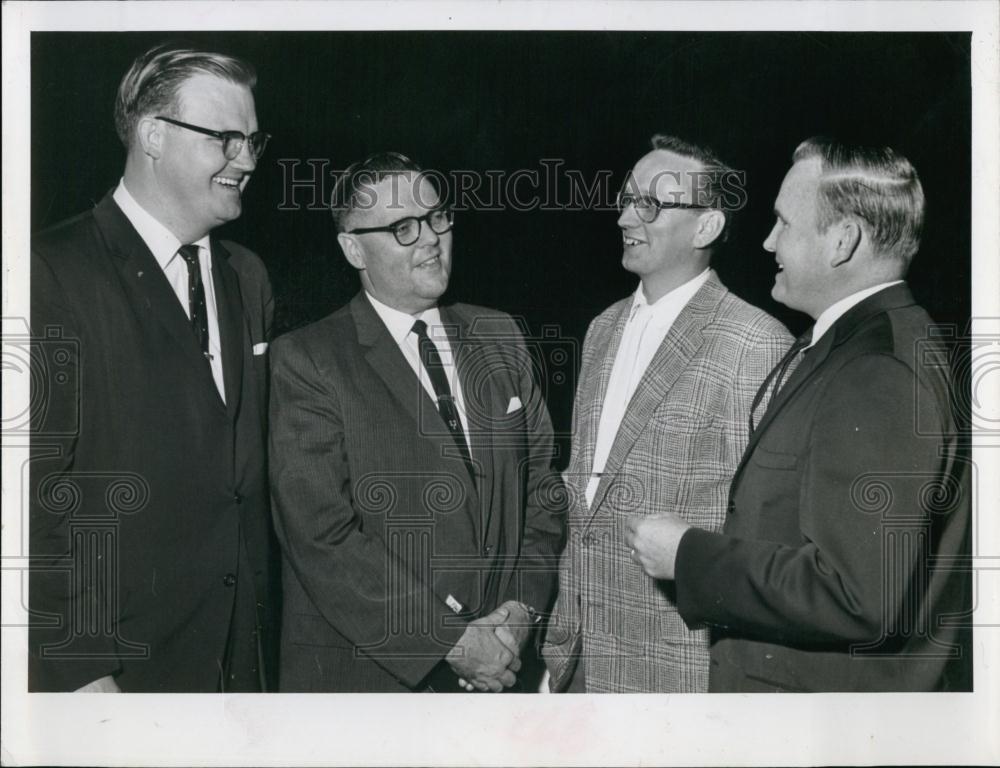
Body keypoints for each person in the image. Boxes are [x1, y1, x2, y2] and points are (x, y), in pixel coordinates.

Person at [625, 137, 971, 692]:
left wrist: (688, 555)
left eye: (784, 223)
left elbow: (855, 596)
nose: (767, 242)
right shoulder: (855, 344)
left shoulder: (878, 368)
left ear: (843, 240)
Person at [29, 43, 277, 692]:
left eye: (253, 141)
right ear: (152, 135)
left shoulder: (247, 278)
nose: (247, 161)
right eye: (226, 138)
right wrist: (81, 670)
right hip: (118, 675)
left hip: (237, 670)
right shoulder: (49, 272)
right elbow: (33, 495)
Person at [269, 152, 565, 692]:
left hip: (505, 670)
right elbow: (321, 534)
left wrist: (520, 613)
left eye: (437, 217)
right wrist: (451, 641)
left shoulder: (499, 336)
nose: (430, 238)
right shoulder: (308, 359)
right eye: (404, 227)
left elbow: (543, 489)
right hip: (375, 685)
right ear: (353, 248)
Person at [541, 135, 792, 692]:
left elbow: (759, 537)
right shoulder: (603, 328)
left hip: (675, 669)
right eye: (628, 198)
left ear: (706, 228)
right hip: (577, 655)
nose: (626, 216)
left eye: (650, 205)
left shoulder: (756, 343)